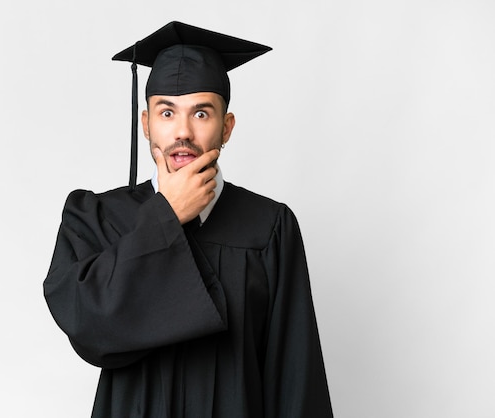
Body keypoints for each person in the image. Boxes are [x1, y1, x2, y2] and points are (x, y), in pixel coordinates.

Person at [44, 21, 333, 418]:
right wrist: (166, 215)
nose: (183, 131)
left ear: (226, 128)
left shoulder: (270, 227)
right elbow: (89, 328)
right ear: (146, 124)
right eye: (167, 112)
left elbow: (294, 378)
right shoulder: (96, 218)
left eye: (201, 112)